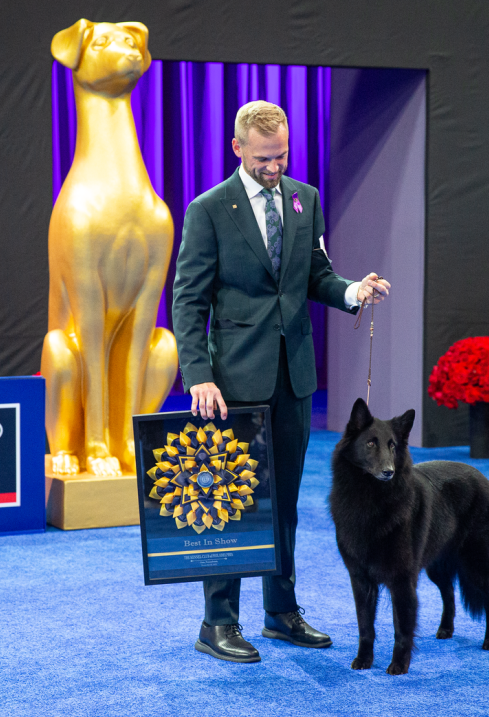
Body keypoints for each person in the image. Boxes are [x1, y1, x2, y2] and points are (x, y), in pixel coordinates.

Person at [172, 100, 391, 663]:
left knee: (285, 503)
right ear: (238, 149)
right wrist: (198, 375)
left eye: (283, 156)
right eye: (265, 158)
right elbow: (188, 300)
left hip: (293, 377)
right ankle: (217, 622)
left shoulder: (305, 199)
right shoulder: (209, 209)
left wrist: (352, 291)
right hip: (230, 383)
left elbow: (315, 275)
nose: (275, 167)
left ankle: (280, 613)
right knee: (229, 503)